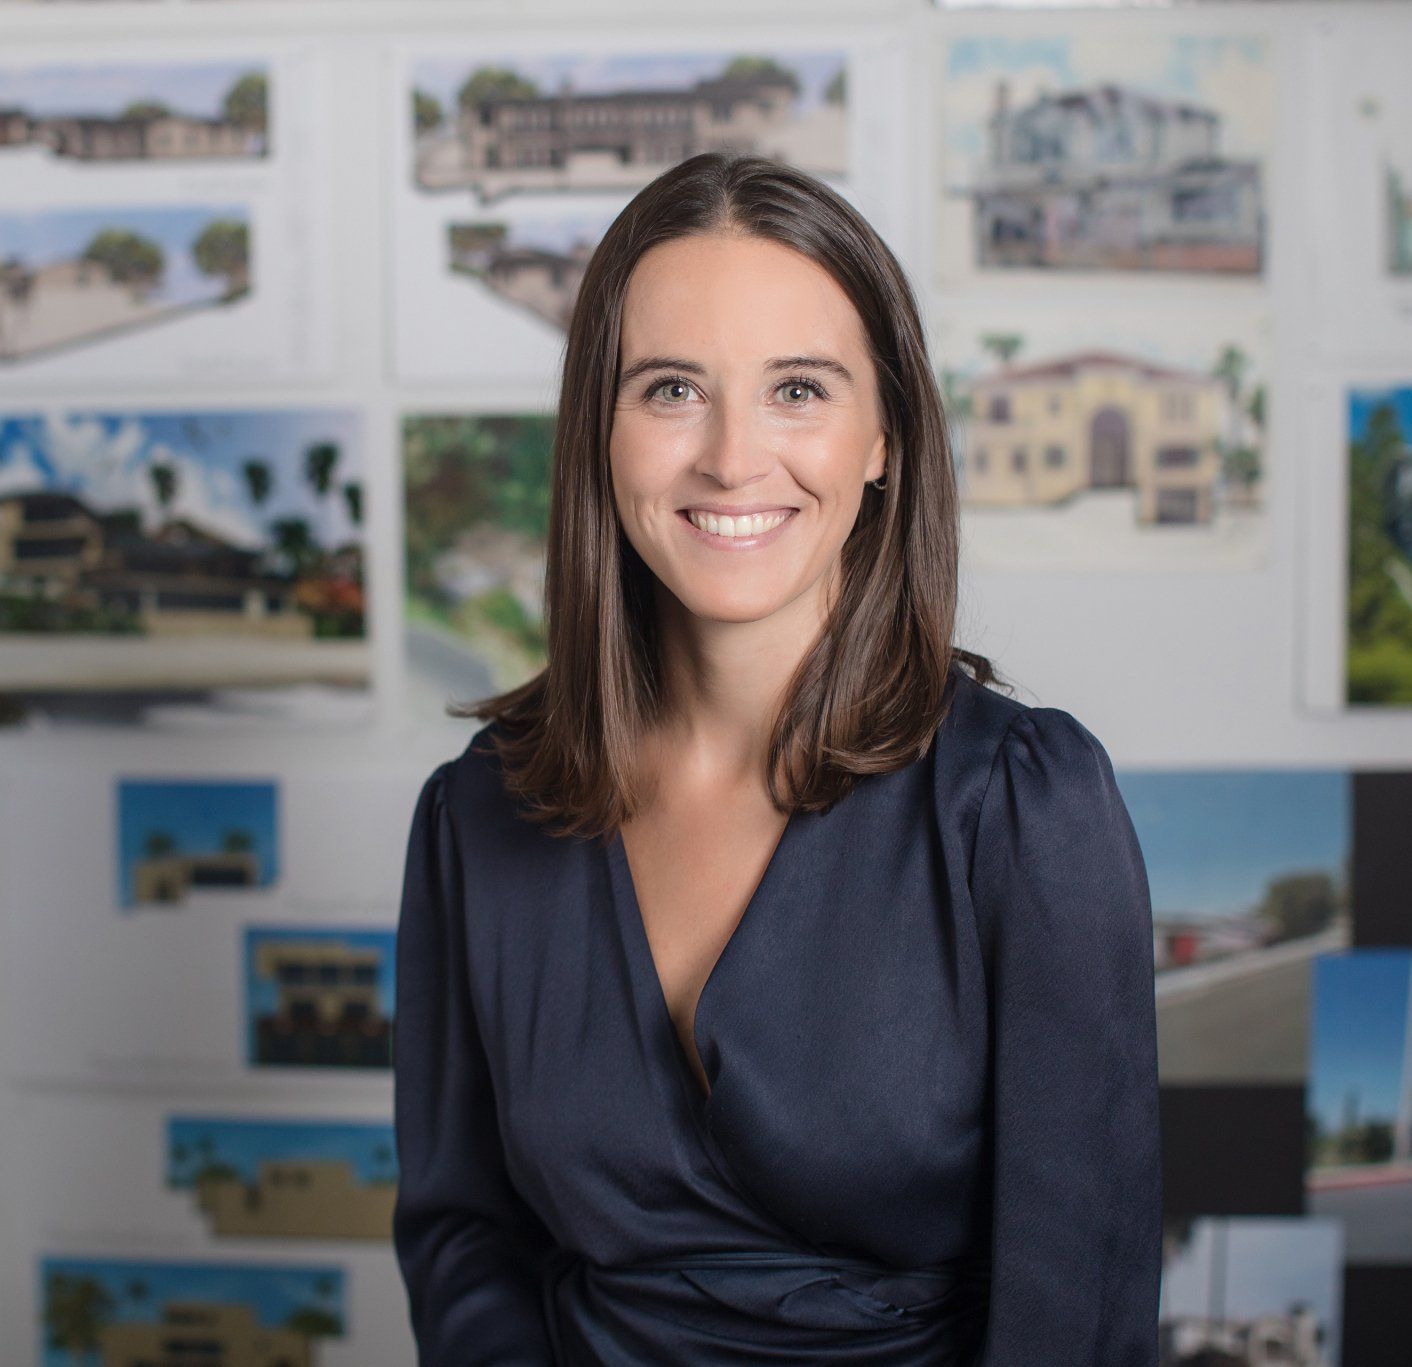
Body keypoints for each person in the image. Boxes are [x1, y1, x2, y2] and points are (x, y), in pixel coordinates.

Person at [392, 151, 1161, 1365]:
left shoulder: (1023, 805)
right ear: (601, 431)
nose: (733, 457)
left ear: (884, 437)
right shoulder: (479, 813)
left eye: (798, 388)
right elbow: (461, 1237)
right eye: (671, 389)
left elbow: (1086, 1298)